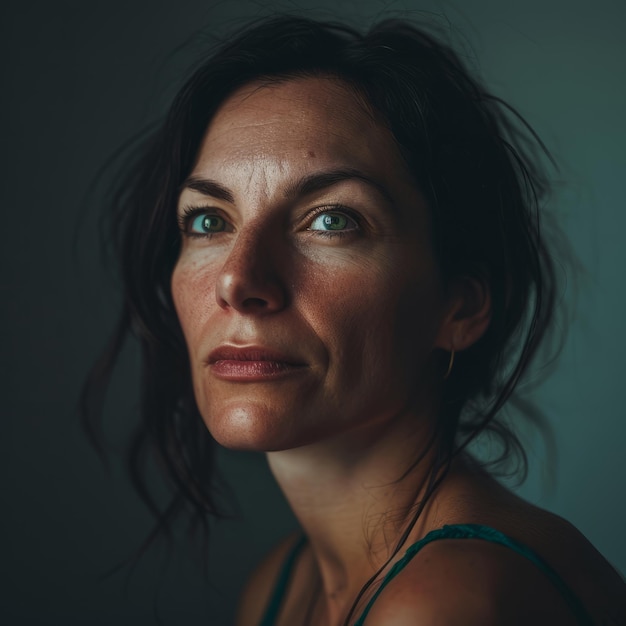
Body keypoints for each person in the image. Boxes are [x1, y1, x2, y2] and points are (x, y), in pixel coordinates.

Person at [83, 14, 626, 626]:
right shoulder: (282, 587)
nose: (238, 281)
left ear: (461, 306)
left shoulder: (448, 602)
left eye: (331, 220)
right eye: (209, 221)